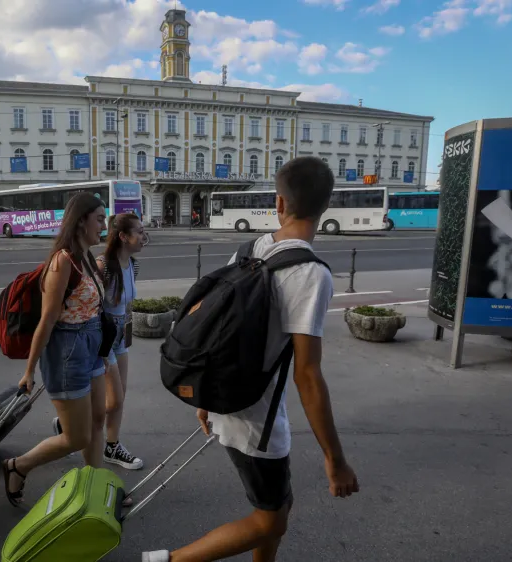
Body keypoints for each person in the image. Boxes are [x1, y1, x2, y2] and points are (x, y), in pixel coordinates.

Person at [143, 156, 359, 562]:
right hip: (256, 419)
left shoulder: (252, 248)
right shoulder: (311, 274)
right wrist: (336, 461)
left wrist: (205, 398)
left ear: (279, 203)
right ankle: (168, 561)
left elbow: (214, 327)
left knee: (278, 504)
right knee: (271, 520)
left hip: (227, 397)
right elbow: (308, 376)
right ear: (326, 206)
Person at [2, 193, 133, 506]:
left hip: (92, 346)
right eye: (100, 218)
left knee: (98, 420)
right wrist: (29, 370)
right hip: (67, 352)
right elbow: (47, 320)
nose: (105, 225)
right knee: (76, 437)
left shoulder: (87, 256)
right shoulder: (62, 261)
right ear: (80, 221)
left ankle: (95, 487)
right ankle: (17, 466)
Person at [49, 212, 146, 470]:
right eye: (139, 231)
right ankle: (73, 423)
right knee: (112, 400)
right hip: (103, 335)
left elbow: (128, 304)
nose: (144, 236)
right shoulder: (103, 265)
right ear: (124, 236)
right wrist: (101, 342)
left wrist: (125, 335)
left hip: (121, 333)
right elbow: (94, 304)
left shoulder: (134, 265)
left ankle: (112, 446)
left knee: (120, 397)